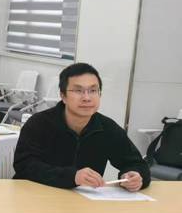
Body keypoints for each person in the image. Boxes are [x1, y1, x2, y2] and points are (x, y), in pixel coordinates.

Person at [13, 62, 150, 190]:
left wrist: (134, 175)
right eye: (78, 91)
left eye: (93, 90)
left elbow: (137, 164)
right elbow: (24, 165)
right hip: (36, 196)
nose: (86, 98)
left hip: (83, 201)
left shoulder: (107, 128)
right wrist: (72, 177)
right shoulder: (39, 123)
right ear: (63, 96)